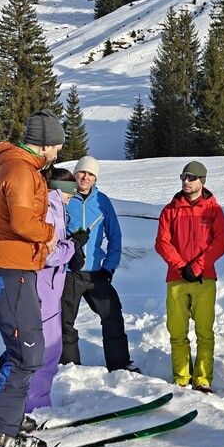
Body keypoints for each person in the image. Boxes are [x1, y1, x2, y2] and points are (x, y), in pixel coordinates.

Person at [0, 111, 64, 447]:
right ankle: (0, 434)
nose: (57, 153)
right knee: (28, 355)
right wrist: (51, 234)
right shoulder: (21, 170)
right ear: (44, 143)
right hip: (11, 271)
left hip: (14, 269)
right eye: (56, 146)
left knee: (23, 350)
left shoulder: (21, 168)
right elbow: (25, 222)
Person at [59, 155, 138, 373]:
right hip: (69, 272)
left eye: (90, 174)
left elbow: (115, 236)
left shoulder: (102, 201)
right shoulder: (63, 198)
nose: (85, 177)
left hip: (96, 273)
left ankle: (120, 364)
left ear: (96, 179)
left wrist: (109, 266)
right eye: (82, 172)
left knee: (112, 315)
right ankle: (70, 367)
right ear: (75, 174)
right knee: (65, 322)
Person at [155, 160, 224, 392]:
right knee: (177, 331)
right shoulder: (170, 210)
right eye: (183, 177)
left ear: (202, 181)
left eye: (191, 177)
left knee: (204, 332)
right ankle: (181, 378)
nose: (186, 181)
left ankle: (203, 379)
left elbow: (219, 244)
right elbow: (162, 243)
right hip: (176, 279)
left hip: (204, 280)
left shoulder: (214, 211)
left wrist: (196, 267)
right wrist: (180, 265)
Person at [23, 167, 78, 414]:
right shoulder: (50, 208)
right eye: (70, 192)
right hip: (43, 285)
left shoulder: (54, 207)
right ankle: (34, 409)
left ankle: (34, 404)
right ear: (61, 189)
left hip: (49, 287)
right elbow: (48, 253)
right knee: (44, 351)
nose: (72, 197)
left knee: (47, 350)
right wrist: (72, 247)